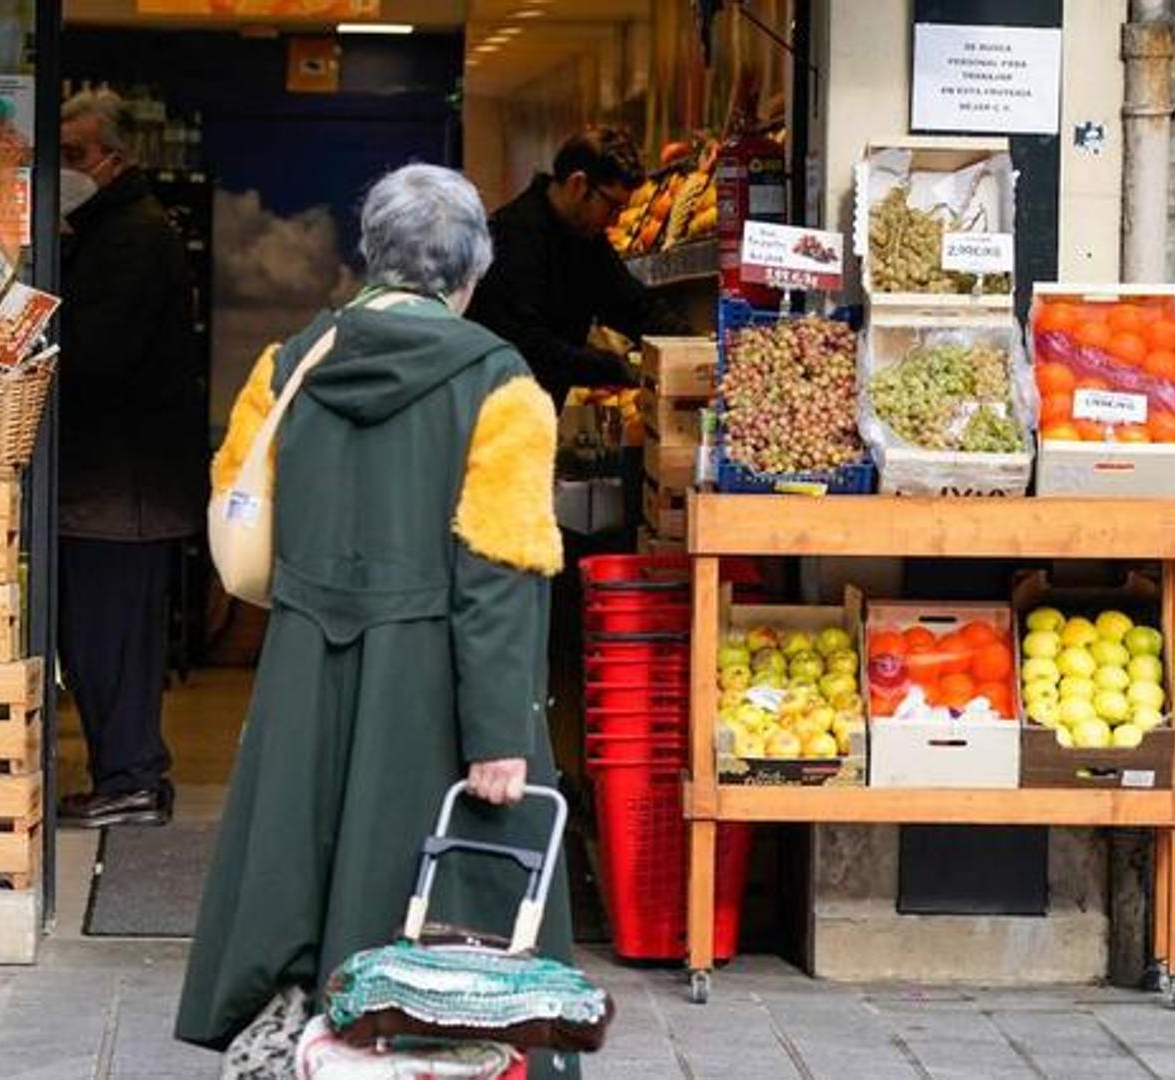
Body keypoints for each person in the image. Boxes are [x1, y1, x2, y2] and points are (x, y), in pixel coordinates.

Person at [177, 164, 581, 1078]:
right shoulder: (503, 389)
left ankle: (303, 1048)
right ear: (471, 269)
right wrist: (498, 732)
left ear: (372, 259)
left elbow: (239, 492)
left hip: (304, 666)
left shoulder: (287, 365)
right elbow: (501, 565)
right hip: (433, 684)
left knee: (301, 876)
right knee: (445, 897)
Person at [55, 88, 203, 828]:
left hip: (123, 490)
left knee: (110, 639)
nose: (65, 167)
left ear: (117, 158)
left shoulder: (135, 236)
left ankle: (133, 779)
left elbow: (100, 354)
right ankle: (127, 774)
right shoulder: (109, 229)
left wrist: (34, 338)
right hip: (113, 486)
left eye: (76, 154)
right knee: (99, 637)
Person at [466, 127, 690, 406]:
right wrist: (613, 368)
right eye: (612, 207)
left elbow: (634, 307)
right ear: (578, 185)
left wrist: (693, 347)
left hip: (530, 418)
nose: (615, 220)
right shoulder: (514, 236)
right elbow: (526, 345)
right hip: (488, 417)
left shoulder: (586, 240)